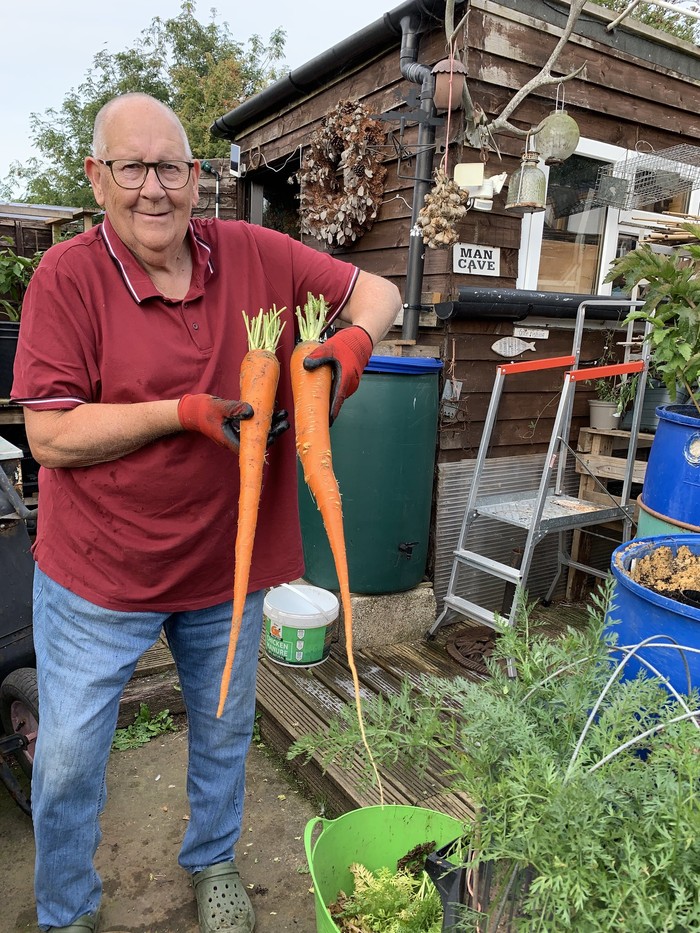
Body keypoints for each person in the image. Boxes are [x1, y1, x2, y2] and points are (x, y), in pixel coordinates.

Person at [11, 92, 401, 933]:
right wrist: (180, 412)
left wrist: (348, 350)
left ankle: (214, 857)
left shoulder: (255, 253)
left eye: (173, 168)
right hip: (100, 574)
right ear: (97, 176)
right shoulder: (66, 277)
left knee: (224, 731)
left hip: (227, 565)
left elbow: (380, 290)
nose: (155, 189)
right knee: (71, 758)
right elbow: (48, 435)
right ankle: (66, 907)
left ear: (199, 177)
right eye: (133, 167)